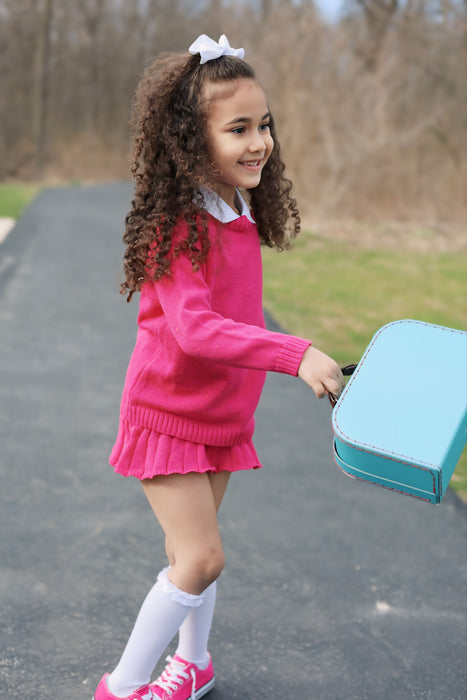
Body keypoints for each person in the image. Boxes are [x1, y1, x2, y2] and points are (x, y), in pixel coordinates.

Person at [94, 33, 345, 700]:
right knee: (202, 558)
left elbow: (237, 321)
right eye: (238, 128)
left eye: (262, 125)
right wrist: (295, 354)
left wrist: (303, 362)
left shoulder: (237, 213)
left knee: (191, 561)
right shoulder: (178, 227)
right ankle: (120, 689)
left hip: (221, 417)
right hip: (167, 416)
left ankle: (193, 667)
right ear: (189, 142)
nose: (258, 141)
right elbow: (197, 330)